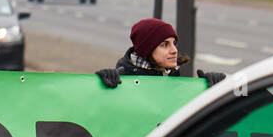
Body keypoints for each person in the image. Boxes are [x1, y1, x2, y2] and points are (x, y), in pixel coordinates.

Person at [96, 18, 226, 87]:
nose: (174, 50)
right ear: (147, 50)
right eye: (164, 45)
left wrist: (207, 89)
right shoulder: (120, 81)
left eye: (173, 44)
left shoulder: (172, 77)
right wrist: (99, 85)